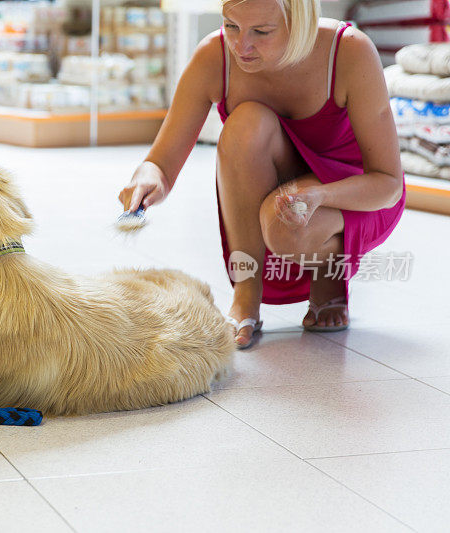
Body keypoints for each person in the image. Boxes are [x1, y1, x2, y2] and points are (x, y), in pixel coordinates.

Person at [118, 0, 405, 349]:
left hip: (354, 192)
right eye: (231, 25)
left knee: (283, 223)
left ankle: (329, 271)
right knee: (245, 124)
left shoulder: (348, 51)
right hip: (280, 186)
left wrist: (320, 196)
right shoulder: (214, 56)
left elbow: (388, 184)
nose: (241, 46)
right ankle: (246, 289)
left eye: (262, 32)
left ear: (299, 22)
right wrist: (148, 178)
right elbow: (159, 163)